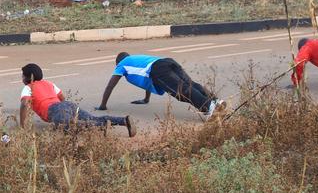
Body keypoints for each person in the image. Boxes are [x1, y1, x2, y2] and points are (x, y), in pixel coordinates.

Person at [96, 52, 226, 120]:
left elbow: (110, 86)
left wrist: (103, 105)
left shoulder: (121, 65)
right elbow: (146, 80)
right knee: (189, 84)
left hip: (159, 69)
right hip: (168, 61)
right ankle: (215, 101)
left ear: (117, 62)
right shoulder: (136, 59)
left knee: (182, 91)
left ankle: (210, 106)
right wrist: (146, 99)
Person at [20, 63, 136, 136]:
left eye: (23, 75)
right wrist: (64, 109)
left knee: (68, 128)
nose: (22, 78)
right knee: (92, 118)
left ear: (29, 77)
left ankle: (100, 126)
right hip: (68, 105)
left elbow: (24, 104)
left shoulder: (28, 87)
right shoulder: (49, 83)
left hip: (55, 109)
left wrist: (22, 125)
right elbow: (62, 97)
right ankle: (123, 120)